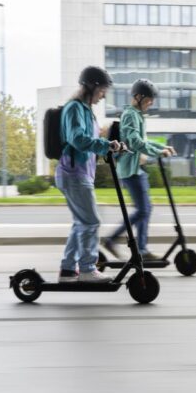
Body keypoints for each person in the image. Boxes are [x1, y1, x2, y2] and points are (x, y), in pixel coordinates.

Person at [56, 66, 122, 283]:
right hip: (73, 174)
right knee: (91, 222)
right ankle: (87, 270)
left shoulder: (86, 110)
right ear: (92, 87)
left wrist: (110, 144)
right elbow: (78, 139)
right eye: (102, 90)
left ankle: (67, 270)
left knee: (81, 223)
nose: (103, 96)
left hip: (80, 174)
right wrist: (105, 145)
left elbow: (90, 141)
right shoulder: (74, 108)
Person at [103, 79, 175, 260]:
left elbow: (144, 141)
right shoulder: (130, 115)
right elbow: (135, 142)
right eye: (149, 99)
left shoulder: (137, 115)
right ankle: (112, 240)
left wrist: (162, 148)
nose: (151, 103)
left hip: (137, 169)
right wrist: (158, 153)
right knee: (143, 210)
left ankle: (142, 249)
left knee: (146, 208)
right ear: (138, 97)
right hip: (130, 169)